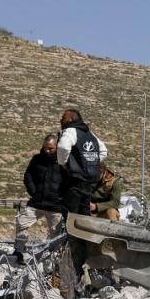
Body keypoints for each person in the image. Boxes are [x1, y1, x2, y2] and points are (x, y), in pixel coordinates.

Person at [56, 108, 106, 286]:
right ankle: (86, 262)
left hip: (74, 183)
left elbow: (62, 147)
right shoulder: (90, 134)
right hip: (87, 184)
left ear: (70, 119)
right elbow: (104, 151)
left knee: (70, 221)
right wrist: (90, 166)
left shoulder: (70, 132)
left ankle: (70, 263)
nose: (60, 120)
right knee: (84, 223)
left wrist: (65, 164)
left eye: (62, 118)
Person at [16, 133, 64, 256]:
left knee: (55, 234)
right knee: (21, 223)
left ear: (57, 147)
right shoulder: (37, 159)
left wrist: (61, 197)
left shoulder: (64, 161)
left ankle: (54, 257)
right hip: (36, 203)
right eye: (45, 147)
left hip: (55, 206)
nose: (47, 150)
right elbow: (28, 176)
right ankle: (18, 252)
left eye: (51, 148)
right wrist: (33, 192)